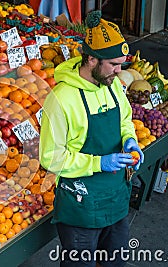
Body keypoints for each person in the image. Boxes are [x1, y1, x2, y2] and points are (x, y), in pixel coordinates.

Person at [39, 10, 144, 267]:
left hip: (116, 199)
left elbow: (124, 120)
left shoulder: (113, 86)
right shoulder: (61, 99)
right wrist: (98, 163)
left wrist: (130, 140)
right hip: (80, 208)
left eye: (122, 65)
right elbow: (50, 157)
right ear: (91, 59)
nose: (119, 72)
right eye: (113, 65)